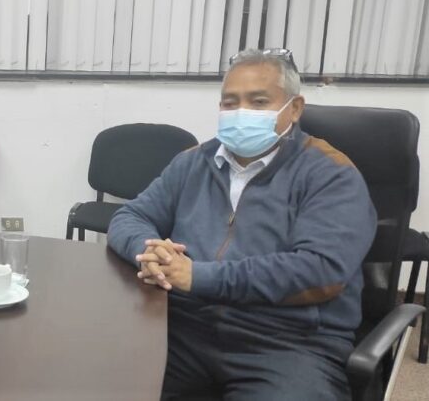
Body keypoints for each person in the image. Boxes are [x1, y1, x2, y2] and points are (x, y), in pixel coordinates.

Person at [108, 48, 377, 400]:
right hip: (186, 328)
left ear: (294, 108)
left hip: (288, 343)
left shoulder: (331, 174)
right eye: (230, 102)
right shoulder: (193, 162)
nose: (241, 112)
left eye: (259, 101)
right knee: (98, 379)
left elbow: (320, 270)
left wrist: (198, 276)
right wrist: (149, 251)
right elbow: (130, 216)